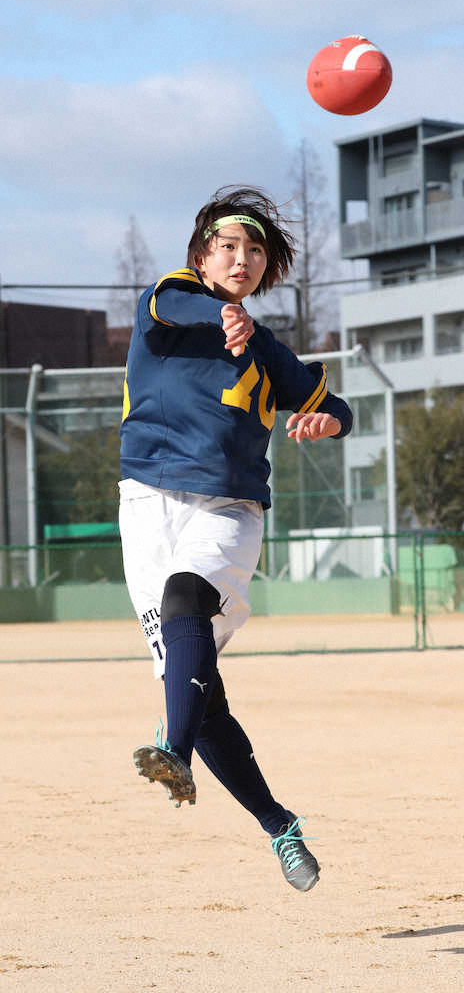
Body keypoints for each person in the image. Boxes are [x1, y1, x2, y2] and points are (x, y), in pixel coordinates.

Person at [119, 186, 352, 892]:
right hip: (146, 504)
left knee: (187, 596)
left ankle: (171, 748)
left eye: (253, 250)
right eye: (227, 246)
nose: (242, 258)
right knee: (200, 689)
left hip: (228, 507)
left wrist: (328, 421)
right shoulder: (169, 301)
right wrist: (219, 310)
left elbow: (330, 402)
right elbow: (172, 303)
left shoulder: (265, 347)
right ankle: (279, 824)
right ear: (200, 257)